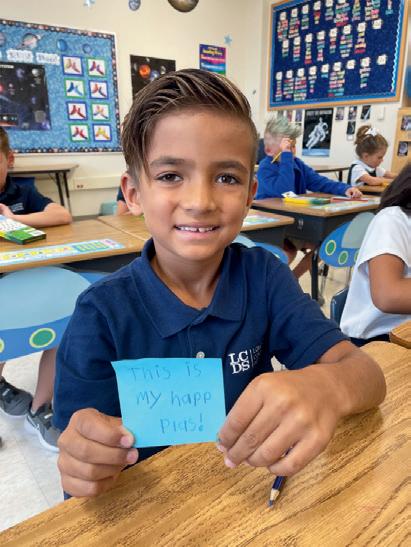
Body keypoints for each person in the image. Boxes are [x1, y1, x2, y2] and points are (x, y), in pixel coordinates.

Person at [53, 69, 386, 499]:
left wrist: (325, 386)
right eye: (170, 175)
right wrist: (83, 462)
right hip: (148, 510)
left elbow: (368, 376)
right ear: (133, 193)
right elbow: (80, 462)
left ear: (249, 193)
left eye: (226, 178)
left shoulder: (264, 278)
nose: (200, 202)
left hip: (246, 502)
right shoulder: (100, 314)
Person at [0, 126, 72, 451]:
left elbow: (61, 214)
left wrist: (16, 220)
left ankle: (41, 406)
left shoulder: (22, 192)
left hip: (30, 285)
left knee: (61, 323)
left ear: (9, 160)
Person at [256, 117, 363, 278]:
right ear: (269, 151)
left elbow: (319, 182)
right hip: (273, 227)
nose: (291, 151)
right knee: (288, 253)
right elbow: (284, 190)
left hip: (295, 224)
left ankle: (293, 278)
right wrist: (286, 157)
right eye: (287, 148)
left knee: (322, 247)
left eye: (293, 146)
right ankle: (275, 283)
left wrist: (346, 189)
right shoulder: (265, 167)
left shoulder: (297, 164)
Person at [341, 164, 411, 345]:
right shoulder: (393, 220)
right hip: (379, 338)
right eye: (379, 156)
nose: (379, 161)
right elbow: (388, 296)